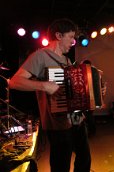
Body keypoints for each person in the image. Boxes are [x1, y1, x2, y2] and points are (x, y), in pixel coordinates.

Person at [9, 18, 91, 172]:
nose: (73, 42)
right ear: (59, 36)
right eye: (71, 37)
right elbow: (14, 81)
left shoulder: (67, 60)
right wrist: (44, 85)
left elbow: (73, 88)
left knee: (84, 158)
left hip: (76, 118)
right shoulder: (40, 56)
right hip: (58, 123)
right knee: (61, 164)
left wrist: (91, 92)